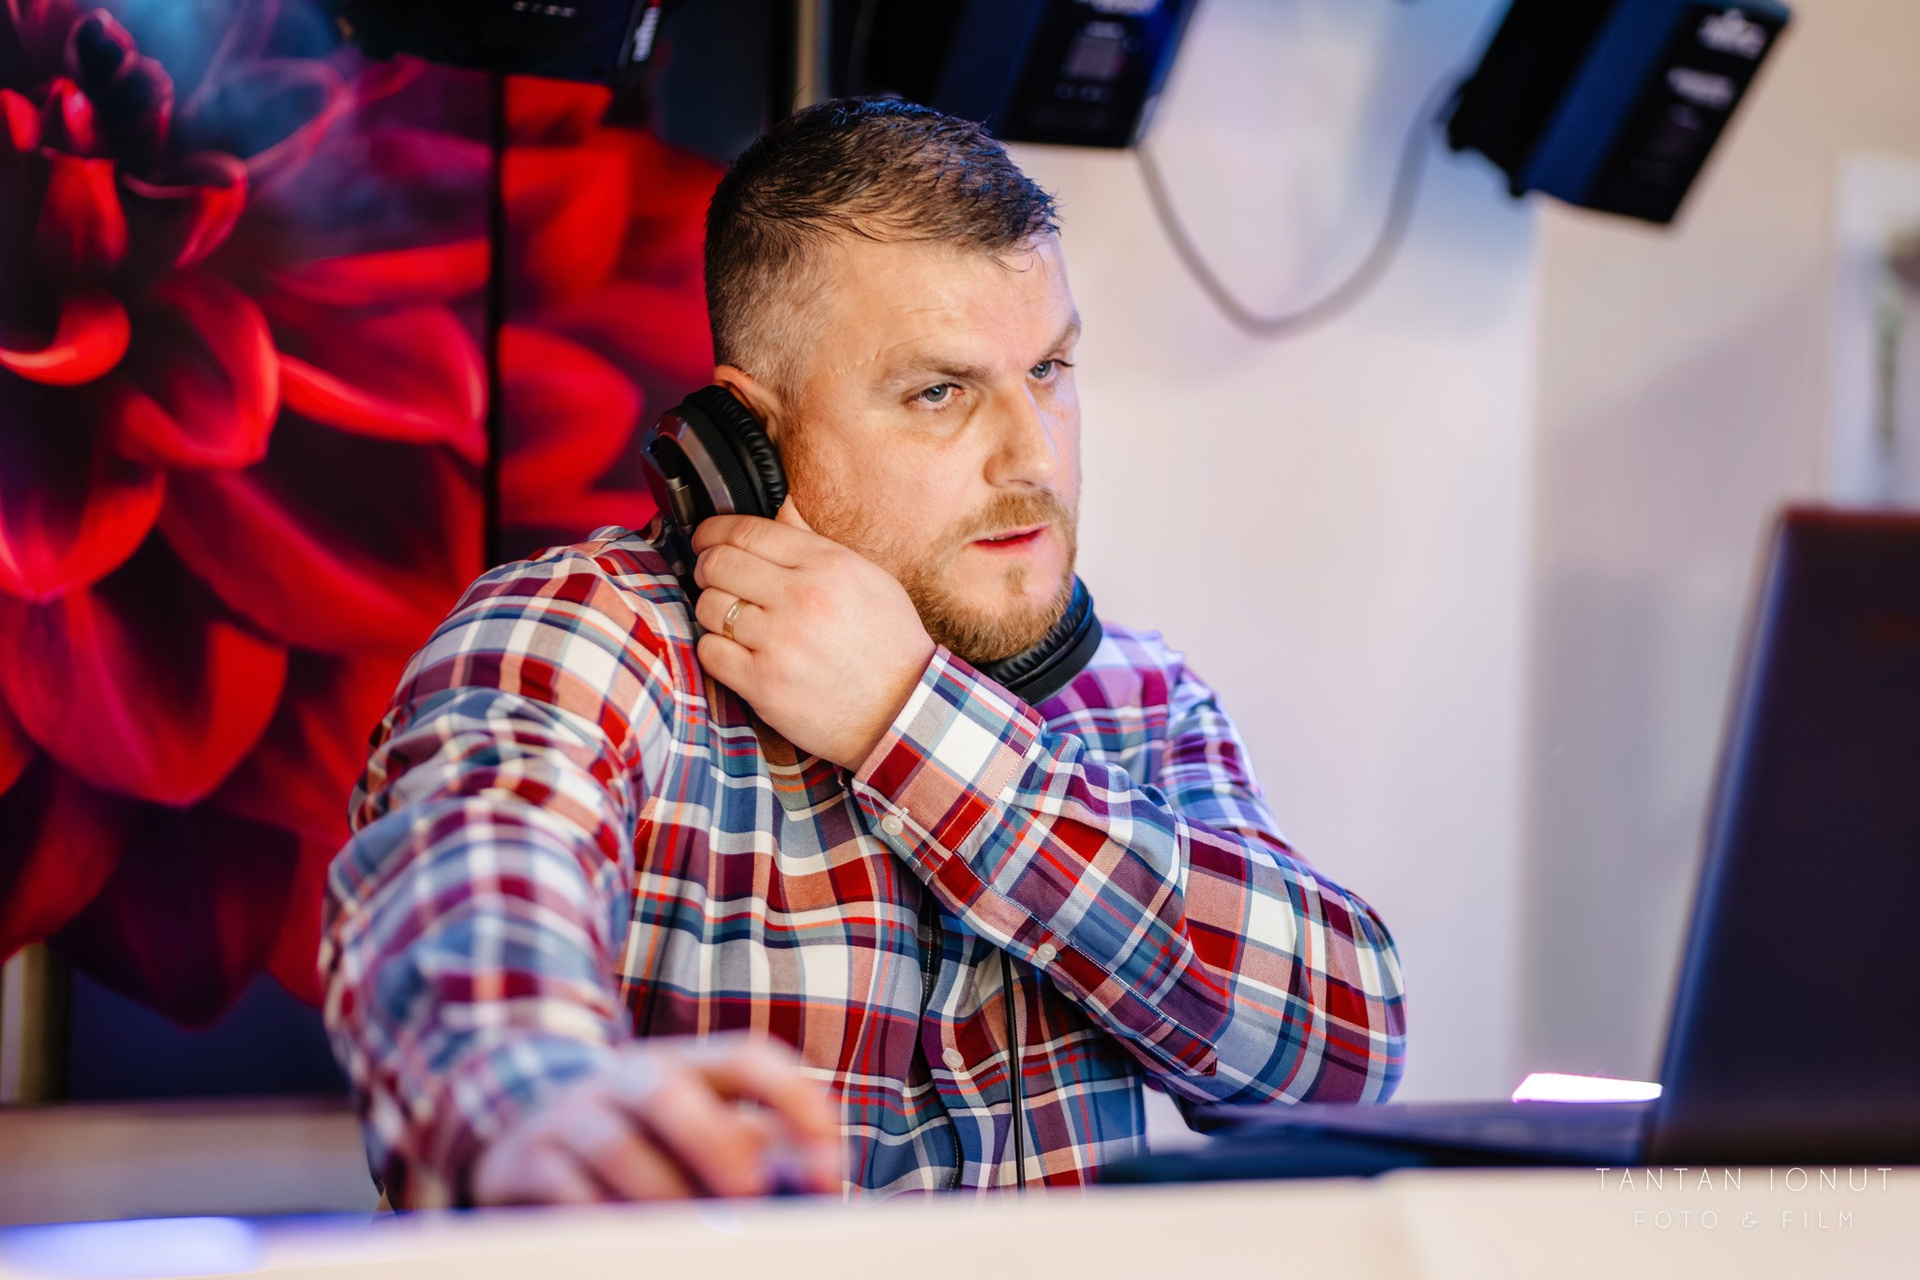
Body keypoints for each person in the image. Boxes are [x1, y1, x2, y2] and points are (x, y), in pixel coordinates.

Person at [320, 98, 1406, 1209]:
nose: (1034, 457)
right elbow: (469, 904)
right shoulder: (582, 637)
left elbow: (1345, 1053)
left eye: (1048, 369)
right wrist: (536, 1099)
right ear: (750, 434)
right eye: (940, 392)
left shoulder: (1137, 698)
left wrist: (910, 718)